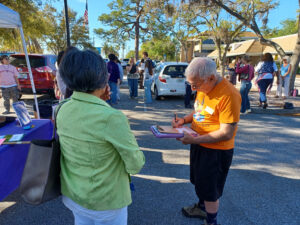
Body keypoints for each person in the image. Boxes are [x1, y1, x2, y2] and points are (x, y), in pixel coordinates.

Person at [57, 48, 145, 225]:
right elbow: (136, 164)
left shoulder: (62, 108)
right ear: (103, 77)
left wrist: (100, 102)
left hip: (74, 194)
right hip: (105, 200)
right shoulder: (112, 117)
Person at [172, 57, 241, 225]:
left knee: (210, 190)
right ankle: (202, 208)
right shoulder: (204, 87)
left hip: (216, 151)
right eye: (191, 85)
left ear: (210, 77)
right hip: (199, 144)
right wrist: (185, 120)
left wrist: (193, 140)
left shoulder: (229, 94)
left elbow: (226, 133)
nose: (194, 89)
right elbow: (201, 112)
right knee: (199, 181)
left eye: (196, 85)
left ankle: (211, 221)